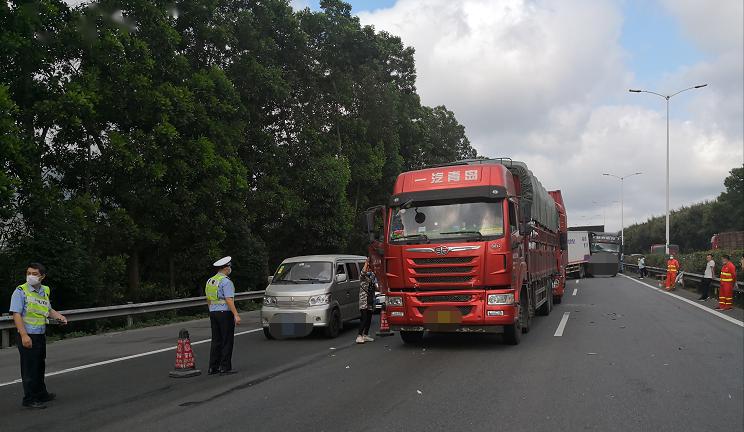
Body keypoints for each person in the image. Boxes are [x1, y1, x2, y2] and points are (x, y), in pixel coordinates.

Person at [9, 263, 67, 409]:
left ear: (42, 276)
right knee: (29, 368)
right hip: (27, 335)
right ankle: (29, 398)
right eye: (29, 273)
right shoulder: (20, 291)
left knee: (39, 365)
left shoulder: (44, 290)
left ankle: (41, 393)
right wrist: (24, 335)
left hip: (40, 334)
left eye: (34, 273)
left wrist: (59, 317)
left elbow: (48, 309)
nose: (31, 276)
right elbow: (16, 314)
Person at [205, 256, 241, 375]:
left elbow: (208, 298)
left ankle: (213, 367)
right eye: (229, 267)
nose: (230, 269)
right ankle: (225, 367)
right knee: (227, 340)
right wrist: (236, 314)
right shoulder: (226, 281)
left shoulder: (210, 281)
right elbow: (229, 299)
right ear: (225, 268)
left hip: (213, 313)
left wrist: (211, 310)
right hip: (224, 313)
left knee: (216, 340)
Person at [356, 259, 376, 344]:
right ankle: (359, 336)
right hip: (364, 300)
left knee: (369, 318)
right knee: (364, 318)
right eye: (368, 268)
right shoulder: (363, 277)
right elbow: (363, 272)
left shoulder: (371, 278)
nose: (369, 269)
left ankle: (365, 335)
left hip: (370, 300)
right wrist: (366, 263)